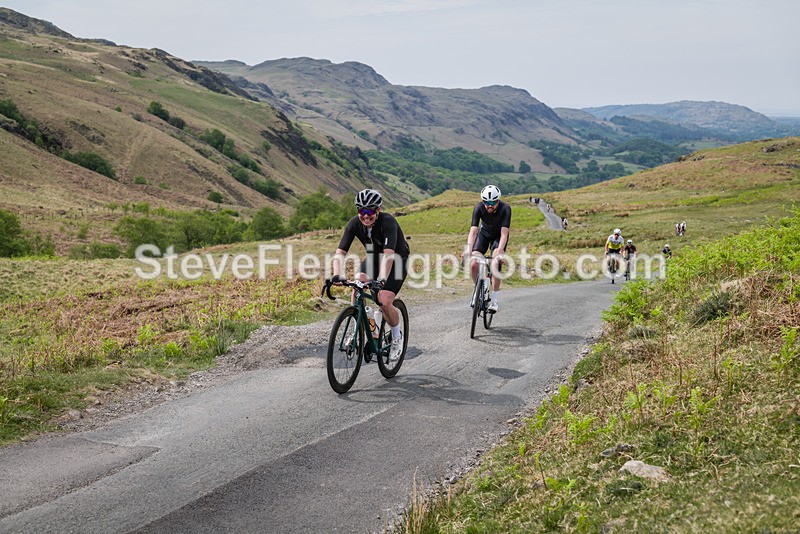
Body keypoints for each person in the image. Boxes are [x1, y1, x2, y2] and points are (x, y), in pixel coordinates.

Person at [331, 189, 410, 361]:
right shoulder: (354, 223)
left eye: (370, 211)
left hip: (396, 260)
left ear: (378, 210)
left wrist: (381, 280)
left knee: (384, 300)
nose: (366, 216)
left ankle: (397, 337)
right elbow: (340, 252)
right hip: (374, 258)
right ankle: (366, 327)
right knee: (357, 285)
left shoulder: (388, 221)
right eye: (362, 211)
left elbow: (388, 255)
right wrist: (336, 274)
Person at [467, 185, 511, 313]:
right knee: (473, 264)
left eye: (492, 202)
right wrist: (469, 251)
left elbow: (504, 234)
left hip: (499, 236)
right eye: (486, 202)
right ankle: (477, 292)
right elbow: (473, 232)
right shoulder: (479, 207)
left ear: (498, 201)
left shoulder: (505, 208)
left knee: (495, 263)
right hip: (484, 234)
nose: (489, 206)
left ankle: (494, 301)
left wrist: (500, 252)